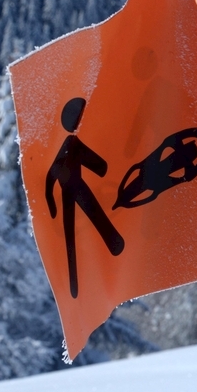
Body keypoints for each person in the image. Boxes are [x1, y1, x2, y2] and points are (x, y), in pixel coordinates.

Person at [45, 98, 125, 298]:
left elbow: (51, 178)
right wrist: (51, 205)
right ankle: (114, 245)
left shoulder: (69, 144)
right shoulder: (70, 144)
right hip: (77, 189)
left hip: (71, 191)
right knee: (91, 221)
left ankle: (114, 246)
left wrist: (52, 204)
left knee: (76, 231)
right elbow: (51, 177)